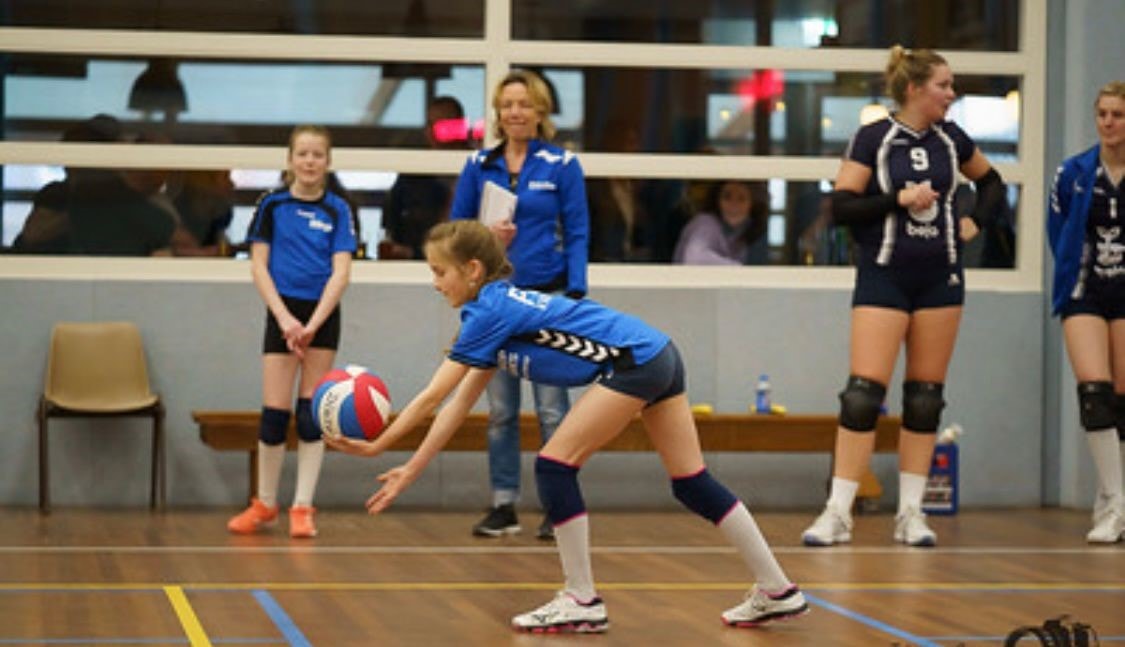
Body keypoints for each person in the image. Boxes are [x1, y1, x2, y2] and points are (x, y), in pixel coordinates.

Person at [326, 220, 808, 633]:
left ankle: (581, 600)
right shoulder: (492, 311)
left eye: (439, 271)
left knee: (555, 466)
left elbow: (433, 396)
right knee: (691, 482)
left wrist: (378, 444)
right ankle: (777, 589)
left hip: (634, 362)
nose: (434, 283)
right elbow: (458, 405)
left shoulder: (490, 311)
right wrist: (409, 469)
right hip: (657, 352)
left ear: (472, 270)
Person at [801, 46, 1007, 547]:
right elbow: (842, 207)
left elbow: (992, 183)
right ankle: (838, 512)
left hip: (940, 278)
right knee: (862, 395)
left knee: (924, 397)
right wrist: (899, 198)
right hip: (885, 276)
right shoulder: (875, 137)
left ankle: (911, 513)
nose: (951, 94)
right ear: (914, 89)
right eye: (943, 85)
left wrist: (975, 222)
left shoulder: (952, 139)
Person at [449, 70, 589, 540]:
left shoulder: (562, 164)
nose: (515, 112)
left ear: (540, 111)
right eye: (507, 104)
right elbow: (455, 234)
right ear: (497, 112)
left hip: (547, 299)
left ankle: (559, 507)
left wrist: (574, 295)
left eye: (524, 104)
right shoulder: (478, 164)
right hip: (495, 301)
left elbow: (578, 232)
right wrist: (485, 242)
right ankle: (503, 504)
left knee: (552, 409)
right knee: (501, 411)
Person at [227, 125, 357, 539]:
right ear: (290, 159)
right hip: (282, 313)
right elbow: (258, 265)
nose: (310, 161)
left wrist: (312, 324)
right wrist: (285, 320)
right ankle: (265, 503)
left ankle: (302, 507)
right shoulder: (272, 204)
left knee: (309, 415)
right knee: (274, 414)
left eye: (318, 154)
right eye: (302, 153)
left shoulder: (339, 209)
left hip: (321, 315)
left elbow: (341, 273)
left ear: (328, 161)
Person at [1047, 81, 1125, 543]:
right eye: (1103, 114)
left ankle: (1112, 494)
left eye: (1118, 115)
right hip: (1085, 290)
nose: (1109, 123)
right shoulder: (1073, 173)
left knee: (1121, 401)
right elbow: (1058, 233)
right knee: (1094, 394)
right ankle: (1116, 504)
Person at [381, 96, 468, 260]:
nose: (434, 131)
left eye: (442, 124)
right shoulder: (412, 175)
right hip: (416, 266)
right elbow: (391, 227)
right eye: (430, 124)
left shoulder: (475, 168)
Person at [673, 179, 769, 265]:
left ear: (753, 205)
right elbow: (694, 258)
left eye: (741, 199)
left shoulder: (742, 234)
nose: (733, 205)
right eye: (727, 197)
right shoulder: (705, 222)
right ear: (717, 201)